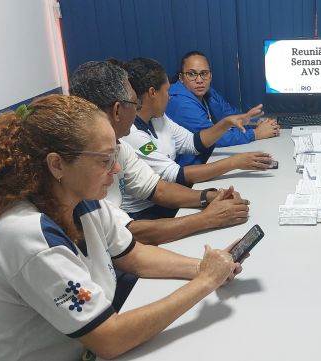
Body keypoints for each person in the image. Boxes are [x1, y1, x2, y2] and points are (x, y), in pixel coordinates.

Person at [0, 94, 244, 361]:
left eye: (115, 156)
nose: (116, 169)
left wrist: (206, 268)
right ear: (57, 165)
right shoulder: (25, 235)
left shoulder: (82, 200)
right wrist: (204, 283)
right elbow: (109, 339)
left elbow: (135, 257)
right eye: (105, 160)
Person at [69, 60, 250, 245]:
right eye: (134, 102)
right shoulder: (84, 167)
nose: (137, 106)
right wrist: (208, 217)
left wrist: (211, 196)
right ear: (117, 110)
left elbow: (158, 188)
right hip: (140, 222)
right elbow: (129, 235)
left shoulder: (121, 145)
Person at [120, 57, 274, 220]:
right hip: (146, 212)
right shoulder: (133, 134)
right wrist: (234, 162)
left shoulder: (159, 117)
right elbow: (175, 175)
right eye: (166, 91)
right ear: (152, 93)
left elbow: (193, 143)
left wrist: (226, 123)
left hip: (170, 197)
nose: (170, 96)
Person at [166, 50, 279, 166]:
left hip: (210, 159)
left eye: (204, 73)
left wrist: (258, 122)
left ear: (210, 75)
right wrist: (256, 133)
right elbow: (211, 137)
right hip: (192, 168)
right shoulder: (179, 102)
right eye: (191, 74)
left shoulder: (208, 92)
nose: (199, 80)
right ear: (181, 77)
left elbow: (230, 115)